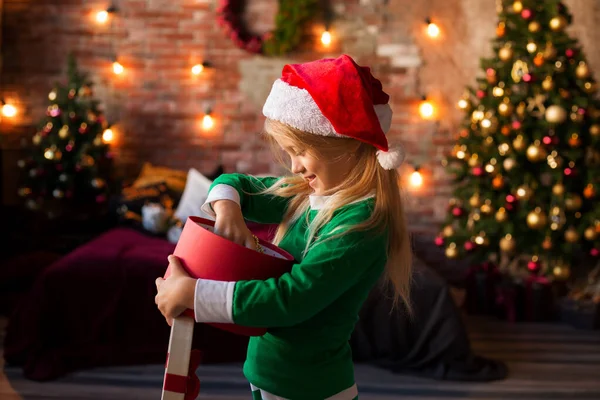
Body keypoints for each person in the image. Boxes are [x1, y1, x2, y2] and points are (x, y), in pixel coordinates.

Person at [155, 54, 412, 400]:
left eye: (300, 151)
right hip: (270, 379)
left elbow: (291, 299)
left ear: (345, 147)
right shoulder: (309, 194)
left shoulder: (362, 224)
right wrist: (227, 209)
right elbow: (235, 183)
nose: (294, 166)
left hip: (309, 390)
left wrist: (194, 295)